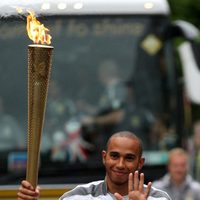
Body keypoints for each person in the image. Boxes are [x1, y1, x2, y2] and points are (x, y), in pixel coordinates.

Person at [17, 131, 171, 200]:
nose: (120, 164)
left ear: (140, 163)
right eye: (114, 156)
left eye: (129, 158)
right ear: (104, 157)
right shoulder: (77, 197)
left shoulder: (158, 198)